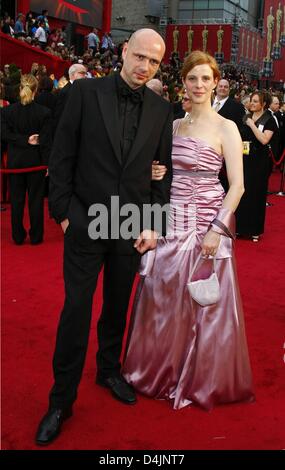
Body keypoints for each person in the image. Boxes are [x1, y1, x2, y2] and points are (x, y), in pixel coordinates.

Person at [35, 28, 173, 445]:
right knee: (76, 309)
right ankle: (61, 400)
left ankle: (109, 370)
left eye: (153, 61)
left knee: (117, 305)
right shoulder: (83, 94)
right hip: (85, 220)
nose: (144, 65)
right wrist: (63, 215)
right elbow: (60, 158)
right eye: (140, 56)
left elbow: (161, 174)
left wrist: (153, 223)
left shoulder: (161, 109)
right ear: (124, 52)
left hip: (130, 223)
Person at [122, 50, 254, 411]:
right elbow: (162, 167)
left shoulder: (227, 126)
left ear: (216, 84)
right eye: (192, 78)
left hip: (208, 218)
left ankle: (201, 377)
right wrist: (155, 173)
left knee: (204, 300)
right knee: (163, 293)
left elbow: (238, 186)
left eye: (206, 79)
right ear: (183, 82)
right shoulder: (174, 124)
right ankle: (160, 369)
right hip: (170, 217)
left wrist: (217, 229)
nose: (199, 85)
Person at [1, 74, 52, 244]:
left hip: (15, 163)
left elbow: (4, 134)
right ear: (36, 90)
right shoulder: (44, 113)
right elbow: (45, 142)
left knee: (17, 201)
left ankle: (18, 236)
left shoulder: (7, 111)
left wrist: (21, 140)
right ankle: (36, 237)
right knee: (36, 201)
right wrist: (47, 164)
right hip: (36, 162)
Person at [235, 91, 278, 242]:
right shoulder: (245, 117)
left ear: (263, 104)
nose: (251, 103)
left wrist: (252, 125)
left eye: (255, 101)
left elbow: (264, 140)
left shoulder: (269, 120)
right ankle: (240, 228)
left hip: (259, 163)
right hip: (244, 160)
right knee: (242, 193)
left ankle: (254, 230)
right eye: (251, 101)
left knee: (256, 195)